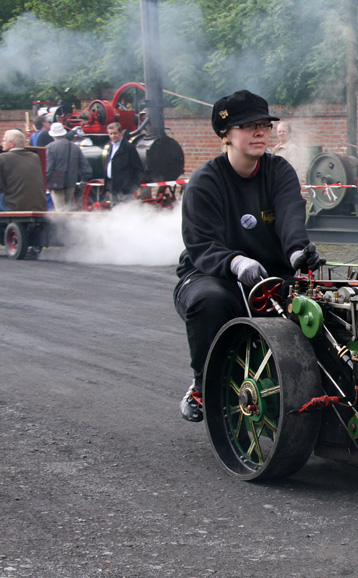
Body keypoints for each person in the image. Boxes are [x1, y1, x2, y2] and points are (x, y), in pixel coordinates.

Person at [174, 89, 323, 422]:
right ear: (226, 135)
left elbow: (289, 217)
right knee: (211, 301)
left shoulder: (279, 171)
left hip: (270, 274)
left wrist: (297, 251)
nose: (259, 133)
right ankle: (202, 385)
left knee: (320, 306)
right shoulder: (204, 182)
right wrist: (236, 262)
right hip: (210, 274)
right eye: (248, 126)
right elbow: (202, 245)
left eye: (264, 126)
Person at [45, 123, 92, 211]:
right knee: (67, 209)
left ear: (53, 135)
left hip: (56, 183)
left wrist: (45, 182)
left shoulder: (50, 148)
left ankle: (62, 225)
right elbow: (86, 167)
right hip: (71, 183)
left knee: (60, 210)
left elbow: (48, 168)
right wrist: (84, 180)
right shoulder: (75, 147)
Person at [0, 129, 47, 212]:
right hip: (39, 205)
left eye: (4, 140)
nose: (2, 143)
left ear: (12, 144)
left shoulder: (3, 158)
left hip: (15, 205)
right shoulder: (34, 157)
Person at [104, 122, 144, 204]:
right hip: (113, 187)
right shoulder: (110, 148)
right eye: (111, 134)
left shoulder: (129, 148)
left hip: (125, 189)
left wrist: (132, 186)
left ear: (121, 133)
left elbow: (138, 168)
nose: (113, 136)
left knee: (126, 213)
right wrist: (107, 187)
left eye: (115, 133)